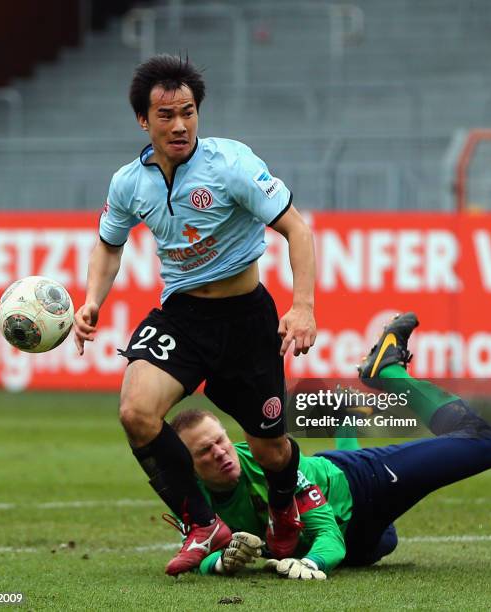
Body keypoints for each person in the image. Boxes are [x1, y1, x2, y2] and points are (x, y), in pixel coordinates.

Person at [72, 54, 317, 576]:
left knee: (271, 451)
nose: (179, 124)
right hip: (183, 316)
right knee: (136, 412)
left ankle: (281, 503)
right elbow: (108, 245)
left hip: (248, 320)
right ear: (144, 120)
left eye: (188, 112)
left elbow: (297, 228)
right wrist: (93, 298)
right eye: (166, 115)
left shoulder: (231, 165)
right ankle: (203, 526)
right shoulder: (128, 183)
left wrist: (302, 307)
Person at [171, 312, 491, 579]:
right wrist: (218, 563)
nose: (219, 453)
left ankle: (387, 372)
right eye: (204, 452)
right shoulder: (192, 499)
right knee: (385, 542)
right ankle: (344, 416)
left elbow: (328, 535)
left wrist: (313, 563)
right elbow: (201, 550)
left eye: (220, 442)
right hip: (364, 544)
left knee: (485, 443)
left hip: (361, 483)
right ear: (189, 468)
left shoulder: (274, 463)